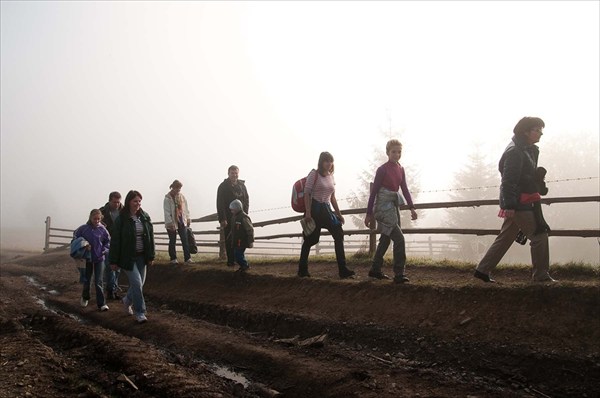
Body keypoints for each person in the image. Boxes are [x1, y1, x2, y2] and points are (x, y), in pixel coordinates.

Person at [474, 116, 555, 283]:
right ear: (526, 131)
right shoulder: (516, 152)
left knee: (506, 237)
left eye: (541, 130)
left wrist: (536, 180)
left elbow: (520, 177)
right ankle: (541, 275)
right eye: (537, 129)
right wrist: (509, 205)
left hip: (520, 201)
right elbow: (508, 181)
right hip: (520, 203)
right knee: (539, 235)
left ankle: (482, 270)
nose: (541, 133)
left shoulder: (526, 149)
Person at [364, 139, 418, 283]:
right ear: (387, 152)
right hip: (382, 207)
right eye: (393, 152)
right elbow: (374, 192)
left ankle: (375, 270)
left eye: (399, 152)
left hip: (393, 207)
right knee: (399, 239)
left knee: (386, 238)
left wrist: (412, 207)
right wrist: (369, 214)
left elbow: (404, 189)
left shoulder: (401, 169)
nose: (396, 154)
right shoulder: (382, 170)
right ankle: (399, 273)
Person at [298, 152, 355, 279]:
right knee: (311, 239)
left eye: (331, 161)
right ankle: (302, 269)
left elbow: (333, 197)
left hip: (327, 210)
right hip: (315, 210)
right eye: (326, 161)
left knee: (338, 234)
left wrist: (339, 214)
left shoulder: (331, 176)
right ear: (321, 162)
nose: (329, 164)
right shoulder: (314, 174)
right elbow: (307, 193)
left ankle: (343, 269)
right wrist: (307, 212)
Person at [108, 190, 156, 323]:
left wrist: (151, 255)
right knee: (136, 283)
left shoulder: (145, 217)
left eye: (139, 201)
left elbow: (150, 237)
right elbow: (116, 241)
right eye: (135, 201)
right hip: (127, 258)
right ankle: (140, 312)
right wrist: (113, 260)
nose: (138, 204)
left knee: (140, 284)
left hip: (142, 257)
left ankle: (127, 300)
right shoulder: (121, 219)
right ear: (129, 202)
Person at [74, 209, 111, 311]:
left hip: (100, 258)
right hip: (87, 258)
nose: (96, 221)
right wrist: (83, 245)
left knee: (98, 281)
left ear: (101, 218)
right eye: (95, 218)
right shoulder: (83, 229)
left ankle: (102, 303)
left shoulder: (103, 230)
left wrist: (104, 250)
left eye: (98, 219)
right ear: (90, 217)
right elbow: (75, 237)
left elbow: (108, 242)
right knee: (87, 279)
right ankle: (85, 297)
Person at [216, 165, 250, 266]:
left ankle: (239, 259)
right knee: (229, 238)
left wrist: (245, 214)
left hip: (240, 217)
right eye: (232, 173)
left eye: (236, 173)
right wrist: (222, 218)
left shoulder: (242, 185)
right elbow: (220, 203)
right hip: (228, 217)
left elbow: (247, 199)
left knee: (240, 238)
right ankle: (231, 260)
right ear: (228, 173)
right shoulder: (223, 186)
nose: (234, 175)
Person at [100, 191, 123, 299]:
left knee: (118, 268)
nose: (116, 204)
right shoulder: (102, 212)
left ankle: (113, 288)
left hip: (120, 243)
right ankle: (111, 290)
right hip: (107, 244)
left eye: (118, 202)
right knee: (110, 267)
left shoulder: (124, 211)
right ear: (109, 201)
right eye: (114, 202)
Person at [163, 180, 192, 264]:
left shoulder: (181, 197)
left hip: (181, 220)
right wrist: (170, 223)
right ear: (173, 187)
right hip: (172, 222)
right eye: (177, 188)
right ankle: (173, 258)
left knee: (185, 239)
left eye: (179, 189)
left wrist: (188, 218)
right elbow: (167, 212)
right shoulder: (167, 198)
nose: (178, 190)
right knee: (172, 240)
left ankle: (187, 258)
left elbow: (185, 208)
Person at [229, 199, 254, 273]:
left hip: (242, 240)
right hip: (237, 240)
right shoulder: (234, 217)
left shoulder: (243, 217)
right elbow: (233, 229)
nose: (231, 212)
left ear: (237, 208)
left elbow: (250, 229)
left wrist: (250, 239)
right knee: (238, 255)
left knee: (238, 255)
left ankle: (245, 266)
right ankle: (243, 266)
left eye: (233, 210)